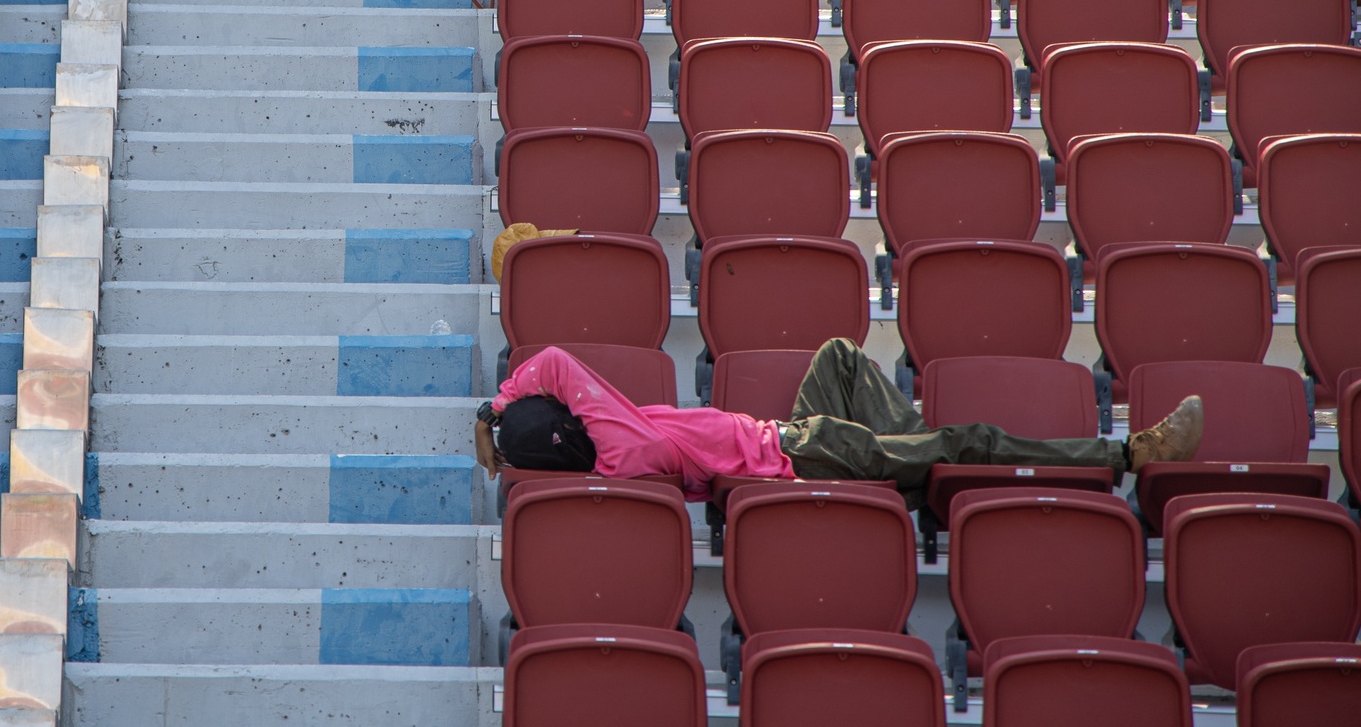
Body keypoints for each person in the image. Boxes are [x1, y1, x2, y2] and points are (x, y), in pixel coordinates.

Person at [473, 340, 1204, 508]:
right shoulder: (617, 439)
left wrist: (510, 444)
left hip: (782, 437)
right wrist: (497, 407)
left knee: (839, 358)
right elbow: (555, 362)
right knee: (969, 440)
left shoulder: (607, 457)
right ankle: (1129, 452)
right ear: (571, 423)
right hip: (801, 456)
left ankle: (912, 466)